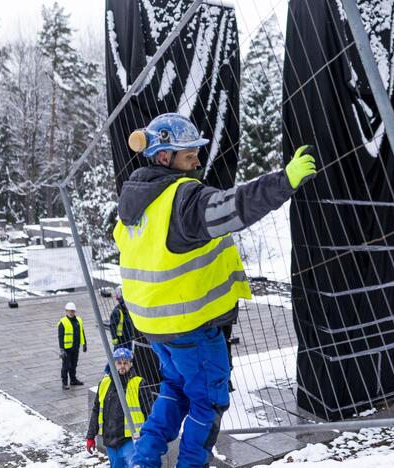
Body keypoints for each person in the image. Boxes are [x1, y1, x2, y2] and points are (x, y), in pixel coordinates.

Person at [113, 113, 316, 467]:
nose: (197, 161)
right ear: (165, 157)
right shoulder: (182, 199)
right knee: (209, 402)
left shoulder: (134, 202)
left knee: (175, 391)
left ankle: (143, 461)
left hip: (155, 327)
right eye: (189, 155)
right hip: (192, 325)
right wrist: (285, 180)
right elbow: (234, 206)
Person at [86, 347, 153, 468]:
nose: (122, 366)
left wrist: (149, 438)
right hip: (111, 441)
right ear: (113, 363)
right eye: (119, 363)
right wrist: (91, 436)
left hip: (131, 441)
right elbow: (96, 410)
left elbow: (149, 412)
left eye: (125, 363)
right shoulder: (104, 382)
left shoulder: (139, 383)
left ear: (130, 364)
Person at [58, 301, 87, 390]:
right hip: (67, 349)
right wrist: (61, 349)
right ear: (66, 311)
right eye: (69, 311)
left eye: (73, 311)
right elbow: (60, 336)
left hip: (76, 347)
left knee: (74, 364)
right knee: (66, 366)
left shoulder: (79, 320)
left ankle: (73, 380)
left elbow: (82, 332)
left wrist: (84, 343)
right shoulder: (63, 322)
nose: (71, 313)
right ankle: (64, 383)